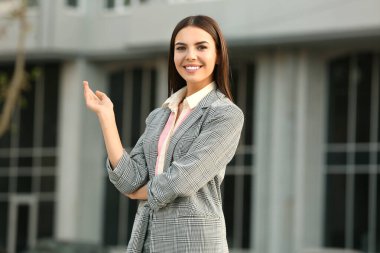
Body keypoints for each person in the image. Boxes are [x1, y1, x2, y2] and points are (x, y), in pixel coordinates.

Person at [83, 15, 244, 253]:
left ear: (218, 55)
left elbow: (183, 179)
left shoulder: (225, 115)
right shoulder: (159, 116)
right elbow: (130, 180)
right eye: (181, 48)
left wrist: (140, 193)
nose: (190, 55)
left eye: (201, 47)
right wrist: (107, 117)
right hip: (145, 240)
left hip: (194, 243)